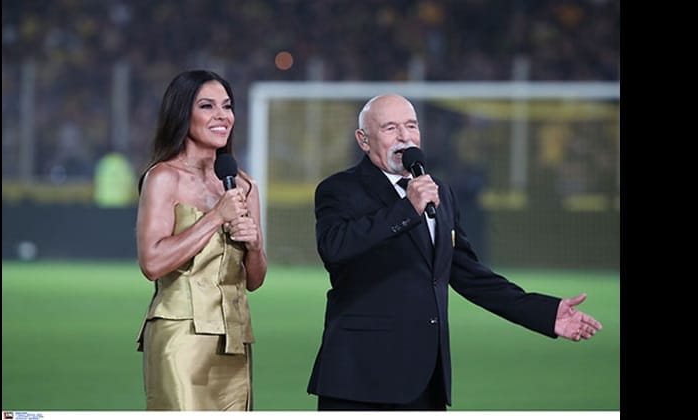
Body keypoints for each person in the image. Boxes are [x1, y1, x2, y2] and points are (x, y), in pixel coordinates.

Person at [306, 93, 602, 411]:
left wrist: (544, 312)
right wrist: (406, 209)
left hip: (424, 380)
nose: (405, 136)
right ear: (364, 140)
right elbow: (335, 248)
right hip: (359, 378)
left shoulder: (440, 193)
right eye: (390, 128)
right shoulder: (339, 189)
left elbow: (469, 275)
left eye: (411, 125)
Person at [134, 69, 267, 411]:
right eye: (207, 106)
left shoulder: (244, 185)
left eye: (227, 106)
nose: (222, 115)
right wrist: (216, 217)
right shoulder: (163, 178)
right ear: (182, 114)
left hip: (235, 341)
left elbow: (255, 280)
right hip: (181, 337)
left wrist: (253, 247)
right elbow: (152, 263)